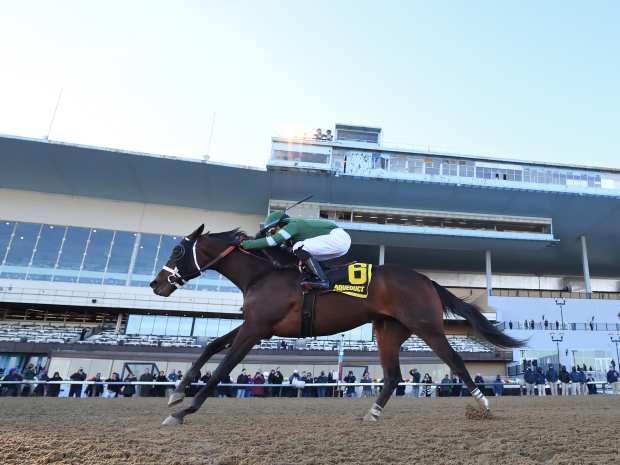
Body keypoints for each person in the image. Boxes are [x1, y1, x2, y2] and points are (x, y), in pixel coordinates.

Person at [240, 210, 352, 290]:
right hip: (340, 244)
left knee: (298, 247)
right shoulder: (292, 231)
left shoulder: (293, 225)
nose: (273, 233)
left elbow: (272, 241)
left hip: (338, 238)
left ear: (280, 224)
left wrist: (246, 244)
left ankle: (322, 280)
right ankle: (320, 275)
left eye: (273, 230)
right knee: (301, 255)